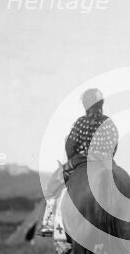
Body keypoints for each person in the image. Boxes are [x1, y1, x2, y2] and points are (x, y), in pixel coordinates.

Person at [38, 88, 119, 236]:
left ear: (85, 105)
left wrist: (72, 159)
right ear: (101, 104)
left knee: (53, 185)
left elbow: (70, 145)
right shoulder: (108, 122)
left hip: (81, 160)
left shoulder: (81, 122)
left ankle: (48, 223)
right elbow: (114, 144)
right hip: (106, 162)